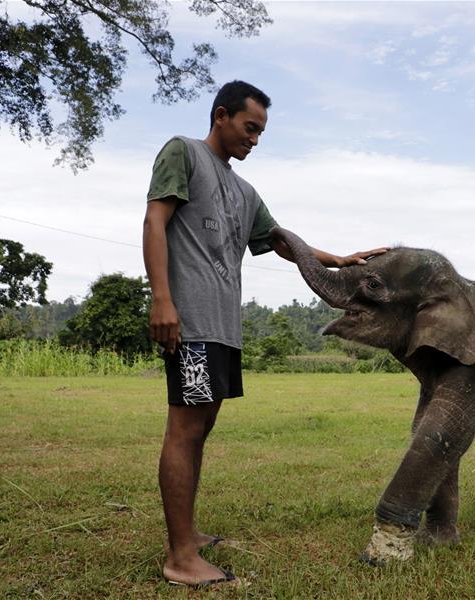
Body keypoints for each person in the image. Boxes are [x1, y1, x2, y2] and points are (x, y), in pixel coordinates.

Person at [142, 80, 386, 589]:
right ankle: (180, 557)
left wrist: (337, 259)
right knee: (184, 431)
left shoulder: (245, 191)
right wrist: (161, 298)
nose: (254, 140)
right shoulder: (182, 153)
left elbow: (278, 241)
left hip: (223, 326)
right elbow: (155, 219)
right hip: (189, 322)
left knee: (202, 429)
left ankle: (186, 534)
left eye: (260, 133)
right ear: (222, 116)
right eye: (249, 128)